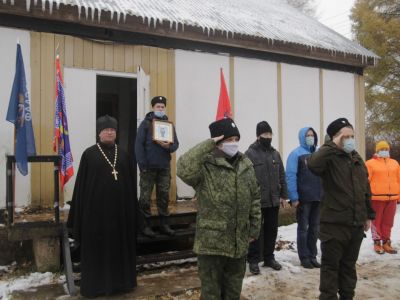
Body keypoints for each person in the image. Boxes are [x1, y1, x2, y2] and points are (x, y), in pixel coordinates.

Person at [177, 117, 261, 300]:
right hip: (212, 243)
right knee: (211, 294)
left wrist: (254, 227)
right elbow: (182, 168)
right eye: (228, 140)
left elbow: (255, 196)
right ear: (217, 143)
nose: (234, 144)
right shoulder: (205, 166)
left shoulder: (245, 163)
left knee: (233, 292)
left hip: (238, 241)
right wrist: (208, 143)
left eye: (236, 139)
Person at [67, 115, 137, 298]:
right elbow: (81, 187)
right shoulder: (89, 154)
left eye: (113, 130)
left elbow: (130, 184)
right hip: (95, 215)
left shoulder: (123, 154)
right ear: (99, 133)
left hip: (119, 214)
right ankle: (96, 287)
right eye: (106, 130)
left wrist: (133, 212)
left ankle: (121, 284)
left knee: (118, 248)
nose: (110, 132)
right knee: (97, 250)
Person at [308, 117, 375, 300]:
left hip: (355, 224)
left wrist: (368, 214)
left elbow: (365, 188)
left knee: (349, 267)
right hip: (333, 225)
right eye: (346, 136)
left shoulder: (356, 158)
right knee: (330, 269)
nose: (350, 139)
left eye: (352, 135)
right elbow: (313, 164)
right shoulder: (328, 157)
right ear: (335, 138)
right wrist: (332, 144)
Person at [246, 121, 289, 274]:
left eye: (270, 134)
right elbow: (246, 178)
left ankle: (269, 257)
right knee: (255, 231)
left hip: (273, 200)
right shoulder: (250, 154)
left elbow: (281, 175)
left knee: (272, 230)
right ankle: (253, 260)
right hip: (257, 201)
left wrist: (284, 195)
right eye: (265, 134)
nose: (268, 137)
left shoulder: (275, 153)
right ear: (258, 136)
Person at [135, 96, 179, 237]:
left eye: (162, 107)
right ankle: (145, 226)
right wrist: (142, 165)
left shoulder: (169, 125)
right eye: (158, 107)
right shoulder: (146, 124)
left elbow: (176, 144)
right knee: (145, 198)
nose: (160, 109)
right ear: (153, 108)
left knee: (164, 196)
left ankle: (164, 225)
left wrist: (169, 146)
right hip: (148, 167)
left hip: (164, 167)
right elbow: (138, 146)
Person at [286, 127, 322, 269]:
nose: (310, 137)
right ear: (302, 137)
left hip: (318, 197)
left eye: (312, 135)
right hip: (303, 198)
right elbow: (290, 175)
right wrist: (294, 197)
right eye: (307, 135)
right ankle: (304, 257)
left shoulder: (318, 153)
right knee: (303, 229)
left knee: (315, 228)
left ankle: (313, 255)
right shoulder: (296, 154)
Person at [365, 140, 400, 254]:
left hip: (392, 197)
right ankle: (377, 242)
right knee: (376, 221)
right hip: (376, 198)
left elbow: (398, 180)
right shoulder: (370, 163)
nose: (384, 151)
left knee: (388, 222)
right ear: (377, 150)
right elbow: (366, 181)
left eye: (386, 149)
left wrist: (398, 196)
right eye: (382, 149)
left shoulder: (394, 163)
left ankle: (386, 242)